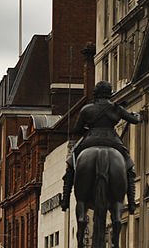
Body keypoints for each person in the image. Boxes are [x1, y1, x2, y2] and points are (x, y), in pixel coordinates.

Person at [60, 80, 143, 213]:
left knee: (71, 166)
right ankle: (132, 202)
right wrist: (136, 115)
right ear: (109, 93)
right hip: (113, 142)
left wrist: (88, 128)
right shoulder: (116, 108)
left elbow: (76, 129)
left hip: (90, 141)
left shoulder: (86, 109)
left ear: (96, 94)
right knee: (129, 168)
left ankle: (65, 200)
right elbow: (134, 120)